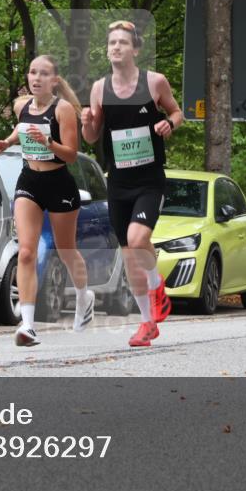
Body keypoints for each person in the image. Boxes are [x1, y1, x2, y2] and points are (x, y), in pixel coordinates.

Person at [81, 20, 183, 347]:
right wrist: (88, 122)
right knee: (129, 257)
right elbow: (92, 136)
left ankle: (157, 287)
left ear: (135, 49)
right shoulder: (99, 88)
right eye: (111, 42)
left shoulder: (155, 83)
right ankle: (146, 323)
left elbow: (178, 112)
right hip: (118, 181)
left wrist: (169, 124)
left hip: (149, 180)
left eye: (122, 42)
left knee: (137, 239)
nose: (115, 47)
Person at [0, 56, 95, 345]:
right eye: (32, 72)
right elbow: (22, 129)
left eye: (43, 73)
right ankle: (27, 325)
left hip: (59, 182)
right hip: (29, 181)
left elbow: (72, 155)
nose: (36, 78)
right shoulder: (21, 106)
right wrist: (8, 143)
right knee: (25, 252)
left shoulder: (63, 111)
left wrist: (49, 143)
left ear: (54, 81)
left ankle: (84, 297)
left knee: (66, 250)